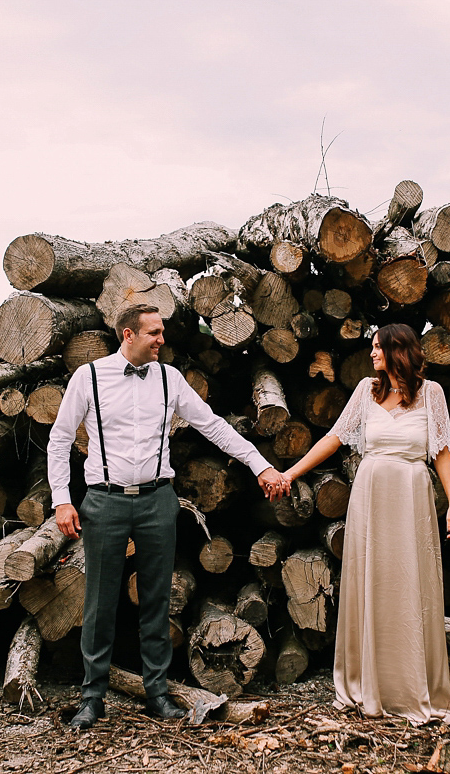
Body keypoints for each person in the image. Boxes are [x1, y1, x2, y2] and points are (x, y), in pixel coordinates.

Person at [49, 304, 289, 729]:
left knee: (157, 601)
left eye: (162, 332)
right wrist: (61, 499)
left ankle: (157, 693)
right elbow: (60, 438)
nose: (162, 339)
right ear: (128, 334)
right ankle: (92, 698)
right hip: (105, 501)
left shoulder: (169, 378)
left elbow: (212, 425)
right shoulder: (88, 378)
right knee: (99, 601)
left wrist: (259, 465)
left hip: (158, 499)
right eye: (154, 332)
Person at [282, 323, 450, 725]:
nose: (371, 354)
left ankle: (409, 684)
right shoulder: (365, 392)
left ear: (398, 351)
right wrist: (290, 474)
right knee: (372, 582)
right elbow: (334, 438)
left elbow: (441, 451)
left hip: (411, 496)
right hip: (370, 498)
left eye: (377, 348)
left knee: (409, 583)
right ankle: (368, 680)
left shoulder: (432, 394)